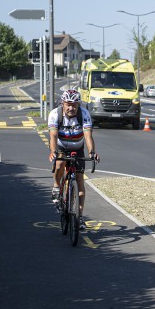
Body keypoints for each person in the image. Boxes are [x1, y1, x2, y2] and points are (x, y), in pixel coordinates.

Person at [48, 89, 99, 230]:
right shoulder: (55, 114)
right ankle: (57, 186)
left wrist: (92, 152)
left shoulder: (84, 114)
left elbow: (88, 135)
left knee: (79, 180)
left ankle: (80, 217)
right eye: (68, 104)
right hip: (61, 146)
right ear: (63, 104)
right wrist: (53, 152)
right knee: (59, 164)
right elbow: (53, 136)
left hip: (78, 147)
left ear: (78, 104)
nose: (71, 108)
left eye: (74, 105)